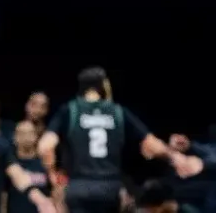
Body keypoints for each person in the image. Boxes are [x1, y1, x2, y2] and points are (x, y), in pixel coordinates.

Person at [39, 67, 193, 213]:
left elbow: (45, 147)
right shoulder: (118, 111)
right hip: (109, 189)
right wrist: (173, 156)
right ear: (103, 85)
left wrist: (52, 174)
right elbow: (152, 145)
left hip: (79, 188)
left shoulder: (70, 110)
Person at [6, 120, 50, 213]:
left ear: (36, 136)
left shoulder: (45, 164)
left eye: (30, 133)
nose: (26, 137)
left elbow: (52, 195)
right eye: (22, 133)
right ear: (14, 137)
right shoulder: (10, 166)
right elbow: (3, 196)